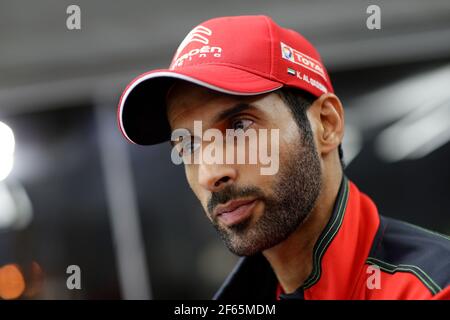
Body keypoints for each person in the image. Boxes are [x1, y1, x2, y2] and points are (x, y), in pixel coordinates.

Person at [117, 15, 450, 299]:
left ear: (326, 124)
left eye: (239, 126)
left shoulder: (434, 287)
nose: (210, 173)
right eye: (187, 145)